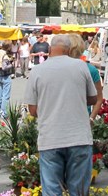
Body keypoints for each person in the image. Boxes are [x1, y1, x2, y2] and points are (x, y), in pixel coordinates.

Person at [24, 35, 97, 196]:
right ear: (68, 50)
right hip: (79, 137)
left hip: (50, 138)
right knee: (79, 191)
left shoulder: (37, 71)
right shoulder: (80, 66)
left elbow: (32, 110)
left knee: (52, 190)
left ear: (50, 49)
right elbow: (93, 98)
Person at [69, 34, 104, 119]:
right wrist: (91, 118)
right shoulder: (91, 69)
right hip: (83, 116)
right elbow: (99, 99)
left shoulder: (58, 68)